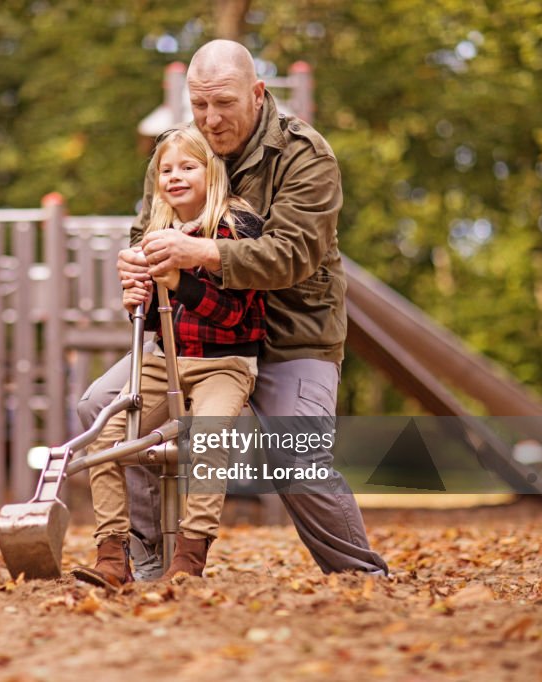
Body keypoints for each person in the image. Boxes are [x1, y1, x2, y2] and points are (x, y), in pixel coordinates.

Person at [76, 39, 389, 578]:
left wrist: (202, 251)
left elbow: (292, 254)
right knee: (100, 409)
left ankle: (363, 578)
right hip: (201, 338)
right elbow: (147, 225)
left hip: (293, 336)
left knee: (296, 456)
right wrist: (136, 260)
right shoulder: (181, 148)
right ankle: (143, 559)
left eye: (224, 103)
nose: (211, 119)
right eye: (199, 105)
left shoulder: (305, 155)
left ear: (258, 93)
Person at [73, 125, 266, 588]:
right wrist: (136, 301)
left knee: (209, 437)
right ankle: (113, 552)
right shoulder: (159, 232)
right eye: (166, 169)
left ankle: (190, 554)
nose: (175, 176)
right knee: (110, 434)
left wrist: (181, 281)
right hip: (170, 358)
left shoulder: (236, 226)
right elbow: (162, 322)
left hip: (227, 361)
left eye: (187, 166)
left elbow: (234, 316)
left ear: (212, 171)